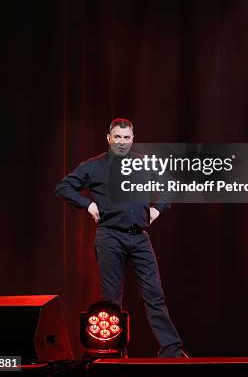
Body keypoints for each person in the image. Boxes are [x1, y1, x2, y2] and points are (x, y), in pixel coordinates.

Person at [55, 118, 187, 358]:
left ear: (132, 139)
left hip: (139, 238)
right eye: (117, 137)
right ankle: (115, 351)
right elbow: (63, 187)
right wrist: (87, 204)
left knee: (155, 295)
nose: (122, 142)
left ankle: (172, 350)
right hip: (110, 238)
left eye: (126, 138)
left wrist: (158, 208)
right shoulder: (93, 167)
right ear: (109, 138)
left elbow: (170, 185)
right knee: (112, 299)